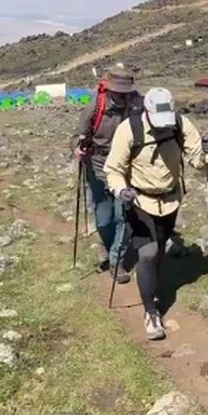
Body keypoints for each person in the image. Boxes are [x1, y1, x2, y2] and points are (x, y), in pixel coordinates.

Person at [105, 87, 208, 340]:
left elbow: (197, 161)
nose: (164, 127)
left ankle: (150, 286)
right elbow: (114, 169)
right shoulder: (128, 130)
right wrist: (121, 190)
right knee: (148, 252)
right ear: (147, 111)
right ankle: (151, 312)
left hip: (170, 201)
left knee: (160, 250)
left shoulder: (181, 124)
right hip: (139, 200)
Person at [73, 66, 143, 281]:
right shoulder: (95, 106)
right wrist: (77, 148)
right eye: (118, 92)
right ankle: (107, 243)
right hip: (98, 163)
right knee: (104, 218)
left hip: (125, 165)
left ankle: (116, 261)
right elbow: (78, 135)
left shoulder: (137, 104)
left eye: (125, 92)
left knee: (123, 215)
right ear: (109, 89)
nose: (122, 96)